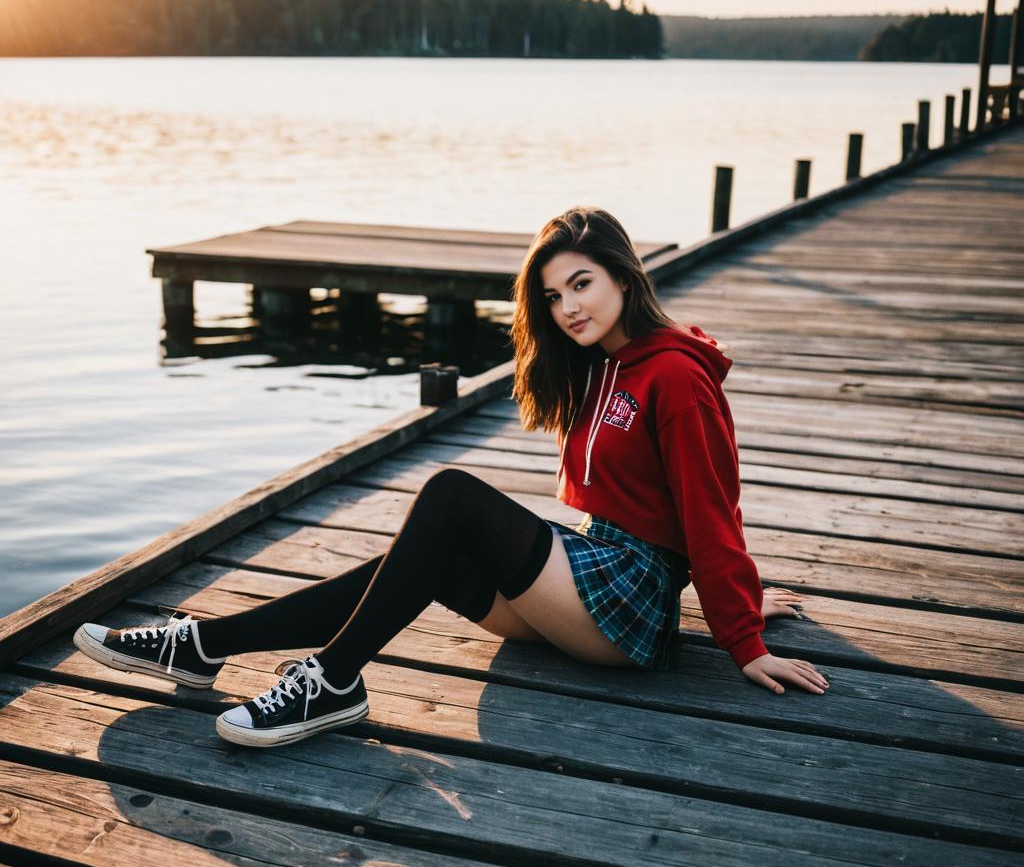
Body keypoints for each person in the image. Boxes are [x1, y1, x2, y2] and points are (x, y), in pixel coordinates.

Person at [73, 205, 828, 749]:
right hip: (596, 581)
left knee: (451, 497)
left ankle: (332, 682)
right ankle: (204, 644)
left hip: (626, 606)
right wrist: (741, 594)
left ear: (625, 277)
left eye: (582, 284)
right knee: (419, 560)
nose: (567, 307)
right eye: (553, 296)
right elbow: (652, 504)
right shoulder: (605, 368)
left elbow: (709, 507)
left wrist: (743, 633)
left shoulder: (676, 380)